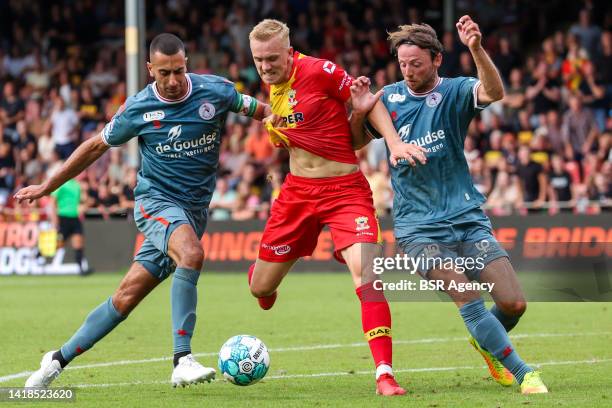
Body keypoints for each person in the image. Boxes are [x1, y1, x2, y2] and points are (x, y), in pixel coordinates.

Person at [15, 33, 271, 388]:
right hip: (156, 204)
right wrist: (47, 187)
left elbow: (264, 113)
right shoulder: (137, 108)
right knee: (192, 254)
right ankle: (183, 359)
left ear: (187, 63)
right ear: (150, 69)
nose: (172, 80)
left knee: (124, 298)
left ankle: (56, 360)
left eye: (178, 71)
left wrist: (297, 129)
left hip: (193, 213)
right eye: (163, 73)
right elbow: (93, 148)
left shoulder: (216, 91)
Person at [351, 17, 548, 394]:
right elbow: (354, 142)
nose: (408, 72)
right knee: (466, 296)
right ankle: (524, 372)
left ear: (437, 59)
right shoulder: (388, 98)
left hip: (467, 218)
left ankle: (486, 340)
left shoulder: (456, 91)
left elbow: (495, 92)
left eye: (416, 64)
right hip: (418, 228)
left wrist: (475, 48)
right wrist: (360, 112)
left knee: (514, 304)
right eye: (403, 64)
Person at [246, 19, 425, 396]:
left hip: (345, 191)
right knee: (261, 289)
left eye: (272, 59)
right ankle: (264, 281)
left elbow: (369, 105)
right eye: (259, 60)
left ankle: (384, 374)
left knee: (369, 276)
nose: (265, 67)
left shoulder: (321, 71)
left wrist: (391, 144)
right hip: (297, 194)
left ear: (289, 50)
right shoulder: (271, 91)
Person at [50, 177, 90, 274]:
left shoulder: (77, 185)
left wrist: (85, 192)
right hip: (63, 217)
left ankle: (81, 269)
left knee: (79, 242)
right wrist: (54, 220)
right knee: (58, 243)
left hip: (75, 217)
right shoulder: (60, 183)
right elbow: (53, 202)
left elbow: (83, 201)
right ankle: (39, 256)